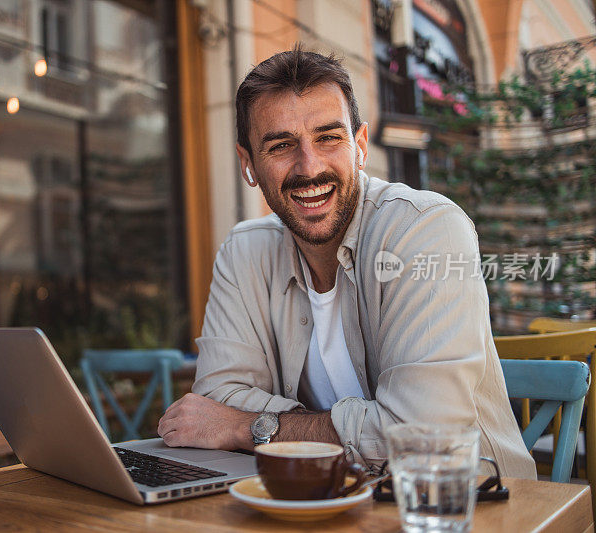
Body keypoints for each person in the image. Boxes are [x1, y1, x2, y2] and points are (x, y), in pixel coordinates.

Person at [156, 45, 536, 478]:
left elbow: (422, 436)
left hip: (468, 508)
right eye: (281, 145)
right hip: (325, 505)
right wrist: (358, 430)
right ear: (249, 165)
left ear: (360, 145)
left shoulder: (426, 230)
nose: (309, 166)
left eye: (329, 137)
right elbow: (215, 400)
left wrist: (252, 428)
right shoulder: (245, 252)